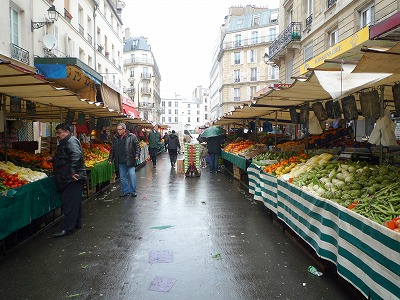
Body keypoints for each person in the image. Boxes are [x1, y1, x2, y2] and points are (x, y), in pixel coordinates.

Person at [46, 123, 87, 238]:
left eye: (59, 133)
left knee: (68, 203)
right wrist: (53, 159)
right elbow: (65, 156)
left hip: (72, 178)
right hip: (70, 177)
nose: (58, 135)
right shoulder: (66, 142)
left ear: (67, 132)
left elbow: (76, 154)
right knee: (75, 203)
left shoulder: (71, 141)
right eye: (57, 133)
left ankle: (68, 228)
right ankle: (76, 224)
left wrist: (73, 171)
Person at [108, 123, 140, 197]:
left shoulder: (132, 136)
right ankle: (125, 191)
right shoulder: (115, 138)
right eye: (117, 129)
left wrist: (137, 155)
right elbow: (112, 149)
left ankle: (133, 191)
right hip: (120, 161)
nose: (118, 131)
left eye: (120, 129)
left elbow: (137, 146)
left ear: (124, 129)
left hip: (130, 160)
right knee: (122, 178)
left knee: (132, 175)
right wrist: (110, 159)